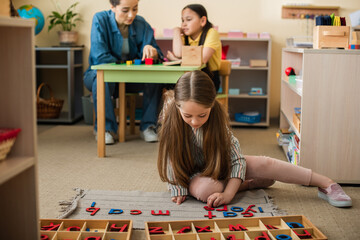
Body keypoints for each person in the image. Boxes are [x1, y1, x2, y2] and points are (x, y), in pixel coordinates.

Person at [157, 70, 352, 208]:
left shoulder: (216, 118)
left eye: (202, 115)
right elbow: (170, 159)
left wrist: (228, 194)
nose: (194, 122)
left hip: (220, 167)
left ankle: (326, 183)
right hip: (196, 176)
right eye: (188, 116)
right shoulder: (171, 117)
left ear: (212, 106)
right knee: (207, 189)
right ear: (178, 106)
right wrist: (178, 188)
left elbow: (236, 160)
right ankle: (247, 183)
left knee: (265, 163)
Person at [84, 0, 163, 144]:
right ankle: (105, 129)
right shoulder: (100, 19)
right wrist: (133, 63)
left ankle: (148, 126)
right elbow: (100, 57)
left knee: (155, 77)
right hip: (98, 76)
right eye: (125, 10)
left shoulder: (141, 23)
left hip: (130, 77)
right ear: (113, 6)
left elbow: (157, 52)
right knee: (103, 78)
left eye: (135, 9)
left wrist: (153, 52)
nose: (131, 15)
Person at [166, 4, 221, 92]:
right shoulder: (185, 36)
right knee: (168, 85)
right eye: (182, 20)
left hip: (209, 79)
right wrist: (176, 31)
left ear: (202, 21)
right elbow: (178, 53)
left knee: (184, 91)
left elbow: (202, 59)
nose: (184, 24)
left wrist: (175, 59)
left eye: (188, 19)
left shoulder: (211, 33)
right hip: (188, 77)